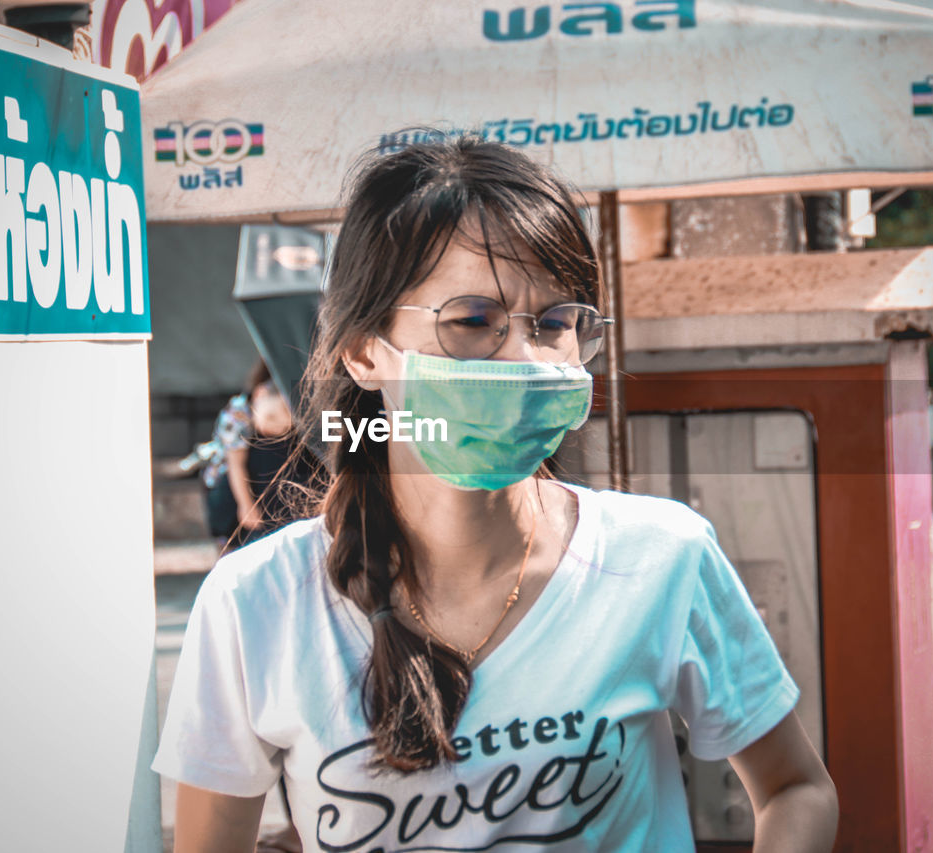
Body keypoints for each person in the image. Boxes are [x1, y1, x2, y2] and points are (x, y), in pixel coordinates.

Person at [153, 135, 838, 852]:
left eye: (554, 323)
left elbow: (797, 789)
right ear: (363, 350)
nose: (527, 360)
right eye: (473, 321)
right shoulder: (255, 603)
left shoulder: (663, 557)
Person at [200, 363, 308, 551]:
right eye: (272, 418)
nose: (274, 429)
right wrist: (246, 505)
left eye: (284, 428)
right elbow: (236, 464)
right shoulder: (238, 413)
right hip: (228, 479)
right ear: (259, 394)